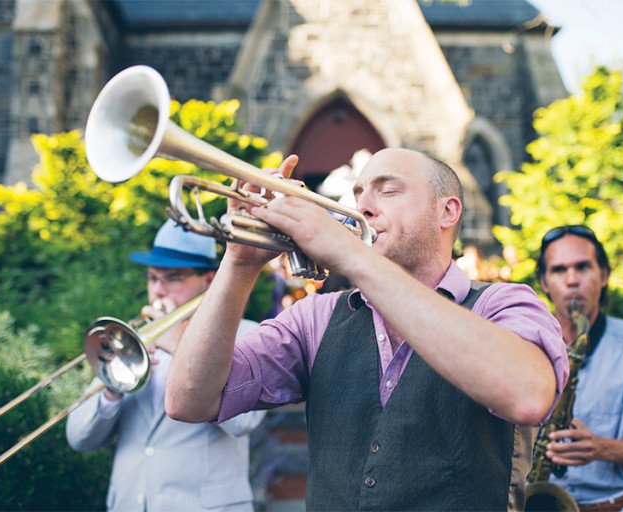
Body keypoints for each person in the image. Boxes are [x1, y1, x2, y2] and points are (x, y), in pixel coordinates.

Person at [166, 148, 570, 510]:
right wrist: (239, 264)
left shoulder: (503, 304)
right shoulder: (316, 317)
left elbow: (528, 396)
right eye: (358, 193)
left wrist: (353, 257)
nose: (364, 206)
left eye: (387, 190)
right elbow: (188, 400)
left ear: (448, 211)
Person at [66, 220, 266, 512]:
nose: (158, 291)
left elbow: (244, 422)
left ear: (209, 280)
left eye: (172, 278)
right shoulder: (132, 340)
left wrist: (179, 346)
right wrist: (114, 386)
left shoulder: (246, 334)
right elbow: (78, 438)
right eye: (152, 278)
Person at [536, 224, 623, 512]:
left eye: (583, 267)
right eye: (559, 270)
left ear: (604, 275)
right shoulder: (521, 344)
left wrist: (601, 448)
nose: (572, 280)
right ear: (544, 282)